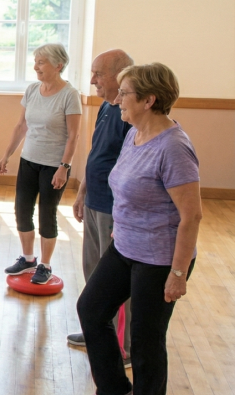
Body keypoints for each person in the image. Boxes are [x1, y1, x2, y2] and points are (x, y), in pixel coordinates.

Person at [77, 63, 201, 395]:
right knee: (91, 310)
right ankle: (114, 389)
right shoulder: (134, 133)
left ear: (149, 100)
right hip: (125, 247)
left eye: (124, 93)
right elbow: (127, 187)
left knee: (146, 342)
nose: (117, 99)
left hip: (160, 259)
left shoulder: (174, 148)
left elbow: (192, 216)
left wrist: (178, 273)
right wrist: (122, 224)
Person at [65, 49, 135, 363]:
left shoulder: (130, 113)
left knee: (116, 281)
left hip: (114, 208)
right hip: (95, 201)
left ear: (120, 75)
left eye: (98, 74)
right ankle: (98, 330)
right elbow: (97, 154)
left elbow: (130, 163)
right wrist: (82, 191)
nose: (92, 79)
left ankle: (125, 345)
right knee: (94, 273)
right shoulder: (107, 106)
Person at [0, 43, 82, 284]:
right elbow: (21, 126)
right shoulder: (32, 90)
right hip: (29, 160)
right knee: (22, 210)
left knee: (47, 214)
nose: (35, 66)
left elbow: (73, 135)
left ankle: (45, 265)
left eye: (41, 62)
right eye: (35, 61)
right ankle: (28, 259)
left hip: (54, 165)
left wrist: (64, 167)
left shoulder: (70, 95)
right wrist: (7, 155)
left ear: (58, 65)